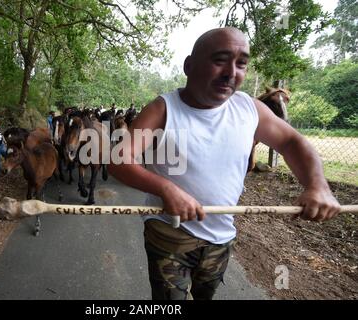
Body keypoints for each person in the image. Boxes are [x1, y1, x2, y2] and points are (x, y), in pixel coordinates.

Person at [108, 27, 341, 300]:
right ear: (189, 66)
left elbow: (291, 142)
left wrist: (317, 184)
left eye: (241, 63)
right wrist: (165, 188)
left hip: (221, 236)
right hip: (169, 232)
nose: (232, 72)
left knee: (206, 295)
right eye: (220, 60)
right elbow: (118, 160)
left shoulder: (250, 108)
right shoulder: (163, 109)